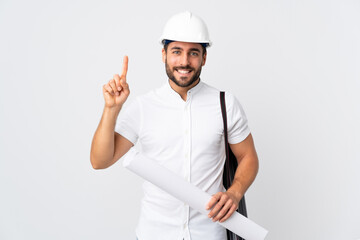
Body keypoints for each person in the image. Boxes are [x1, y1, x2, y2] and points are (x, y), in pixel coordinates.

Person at [90, 11, 259, 240]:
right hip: (155, 233)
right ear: (164, 54)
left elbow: (248, 156)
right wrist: (111, 109)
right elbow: (100, 161)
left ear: (204, 57)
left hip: (210, 233)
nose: (184, 62)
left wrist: (235, 192)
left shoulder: (225, 103)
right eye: (177, 52)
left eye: (193, 53)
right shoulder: (143, 107)